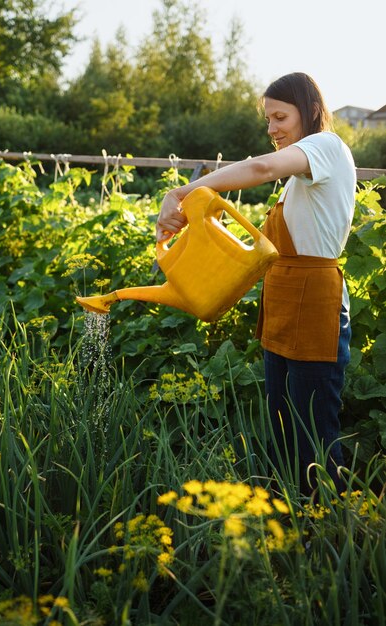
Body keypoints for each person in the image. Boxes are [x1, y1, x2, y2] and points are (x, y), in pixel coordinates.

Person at [156, 72, 356, 495]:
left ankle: (331, 530)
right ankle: (288, 518)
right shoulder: (300, 176)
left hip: (315, 306)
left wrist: (183, 191)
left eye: (280, 117)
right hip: (285, 303)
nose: (272, 130)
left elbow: (261, 166)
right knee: (283, 425)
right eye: (268, 120)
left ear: (310, 110)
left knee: (314, 433)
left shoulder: (326, 147)